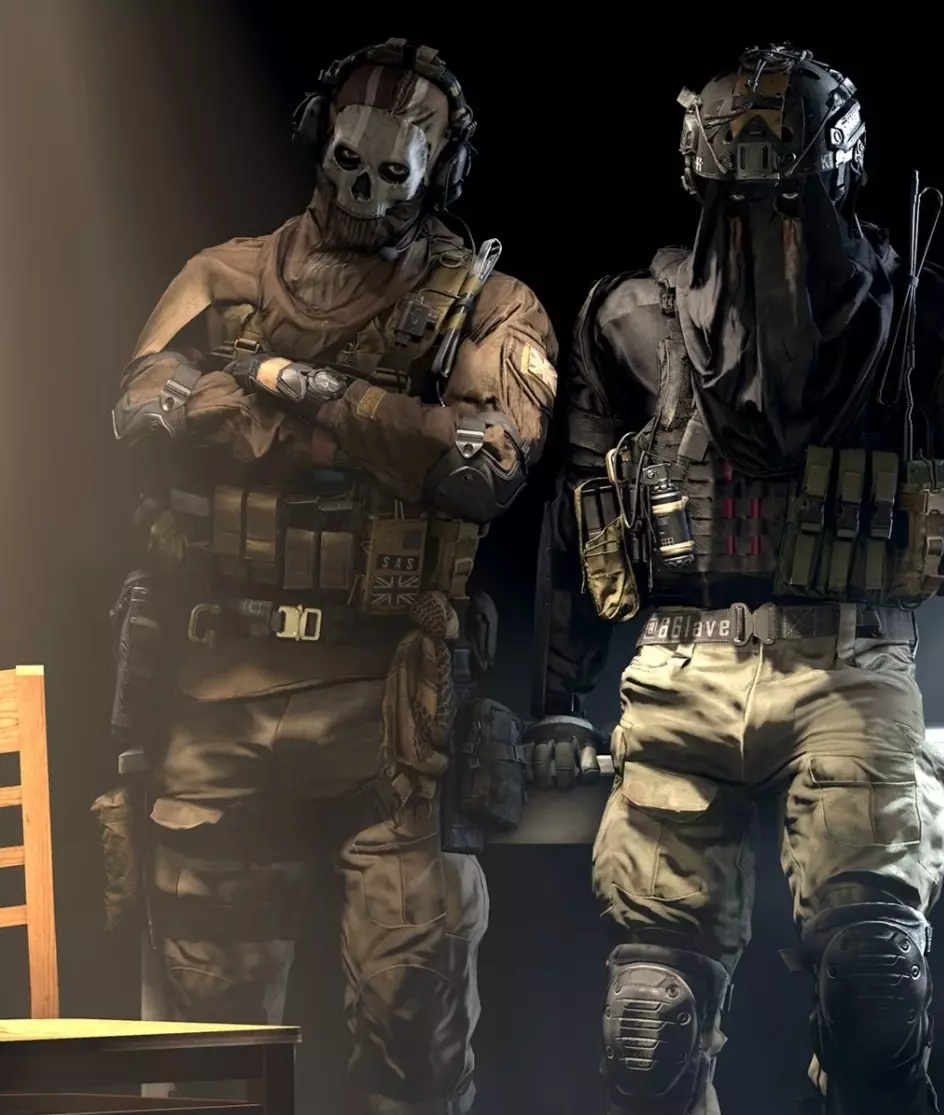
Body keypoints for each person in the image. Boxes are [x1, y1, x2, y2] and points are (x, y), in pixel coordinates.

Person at [527, 42, 944, 1115]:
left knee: (874, 984)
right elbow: (585, 512)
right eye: (742, 193)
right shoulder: (629, 318)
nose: (768, 220)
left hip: (850, 668)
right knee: (647, 1024)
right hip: (681, 669)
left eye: (791, 194)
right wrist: (555, 698)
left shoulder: (930, 314)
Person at [105, 38, 557, 1115]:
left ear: (440, 172)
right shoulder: (221, 276)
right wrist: (373, 427)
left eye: (392, 173)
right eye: (349, 163)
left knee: (414, 1047)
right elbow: (144, 422)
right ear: (320, 143)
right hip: (220, 699)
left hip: (390, 715)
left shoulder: (492, 306)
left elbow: (482, 469)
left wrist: (280, 380)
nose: (362, 193)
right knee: (208, 1057)